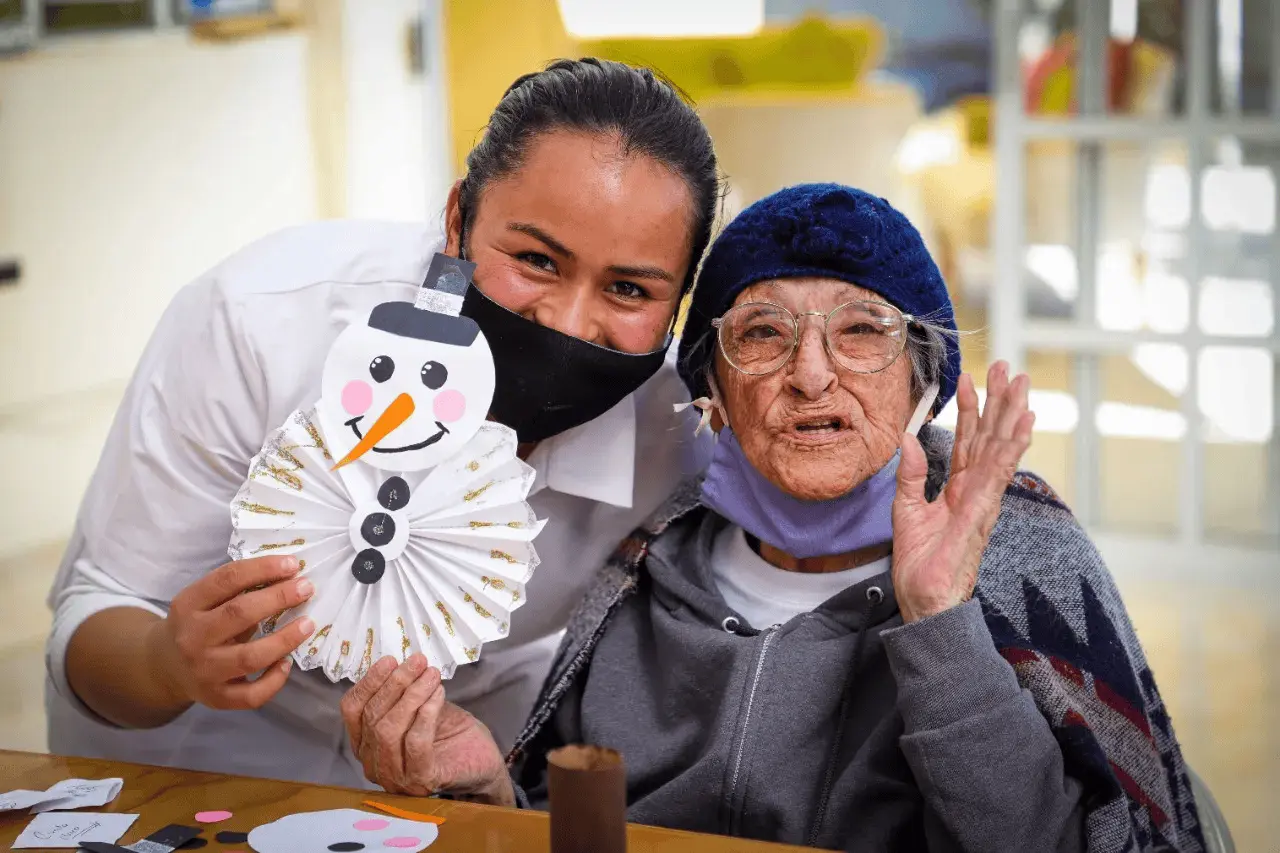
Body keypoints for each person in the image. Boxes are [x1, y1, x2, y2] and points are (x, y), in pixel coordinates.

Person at [342, 185, 1205, 853]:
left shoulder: (1022, 558)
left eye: (862, 330)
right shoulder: (643, 572)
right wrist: (491, 792)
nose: (812, 374)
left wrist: (941, 619)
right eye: (762, 333)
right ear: (711, 387)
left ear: (922, 378)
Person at [45, 57, 720, 786]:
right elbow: (98, 617)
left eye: (628, 288)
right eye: (534, 259)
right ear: (457, 219)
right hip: (195, 760)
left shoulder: (677, 430)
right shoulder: (259, 320)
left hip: (446, 771)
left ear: (680, 297)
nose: (566, 319)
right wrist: (168, 661)